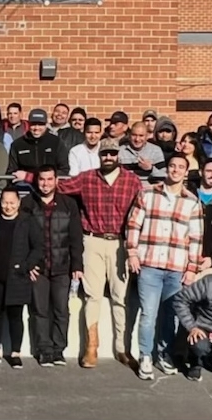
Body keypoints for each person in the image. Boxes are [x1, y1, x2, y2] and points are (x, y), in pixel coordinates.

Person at [57, 138, 143, 369]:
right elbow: (58, 187)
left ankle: (122, 348)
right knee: (92, 296)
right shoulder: (86, 178)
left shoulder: (132, 181)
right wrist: (29, 177)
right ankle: (91, 347)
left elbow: (144, 208)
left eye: (112, 154)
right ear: (99, 156)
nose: (108, 157)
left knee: (120, 298)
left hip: (120, 243)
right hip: (92, 240)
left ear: (118, 156)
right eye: (105, 154)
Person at [126, 154, 204, 380]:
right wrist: (132, 252)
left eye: (181, 167)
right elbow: (133, 224)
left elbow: (196, 238)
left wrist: (192, 268)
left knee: (171, 316)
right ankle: (145, 356)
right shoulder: (147, 194)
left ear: (185, 172)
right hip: (149, 265)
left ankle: (164, 354)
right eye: (172, 166)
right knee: (148, 314)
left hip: (176, 268)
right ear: (167, 168)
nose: (176, 170)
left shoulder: (192, 201)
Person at [0, 187, 44, 369]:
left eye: (12, 203)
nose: (8, 206)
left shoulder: (27, 221)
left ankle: (15, 353)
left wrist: (28, 265)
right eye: (5, 202)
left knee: (15, 316)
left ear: (19, 203)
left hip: (18, 277)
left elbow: (38, 247)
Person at [22, 166, 84, 367]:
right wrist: (28, 265)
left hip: (62, 266)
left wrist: (77, 264)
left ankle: (58, 350)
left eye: (50, 179)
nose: (45, 184)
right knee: (40, 310)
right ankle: (44, 350)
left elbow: (75, 237)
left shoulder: (69, 204)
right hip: (38, 268)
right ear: (36, 181)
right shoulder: (27, 204)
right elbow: (21, 238)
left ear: (56, 180)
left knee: (61, 310)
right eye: (42, 179)